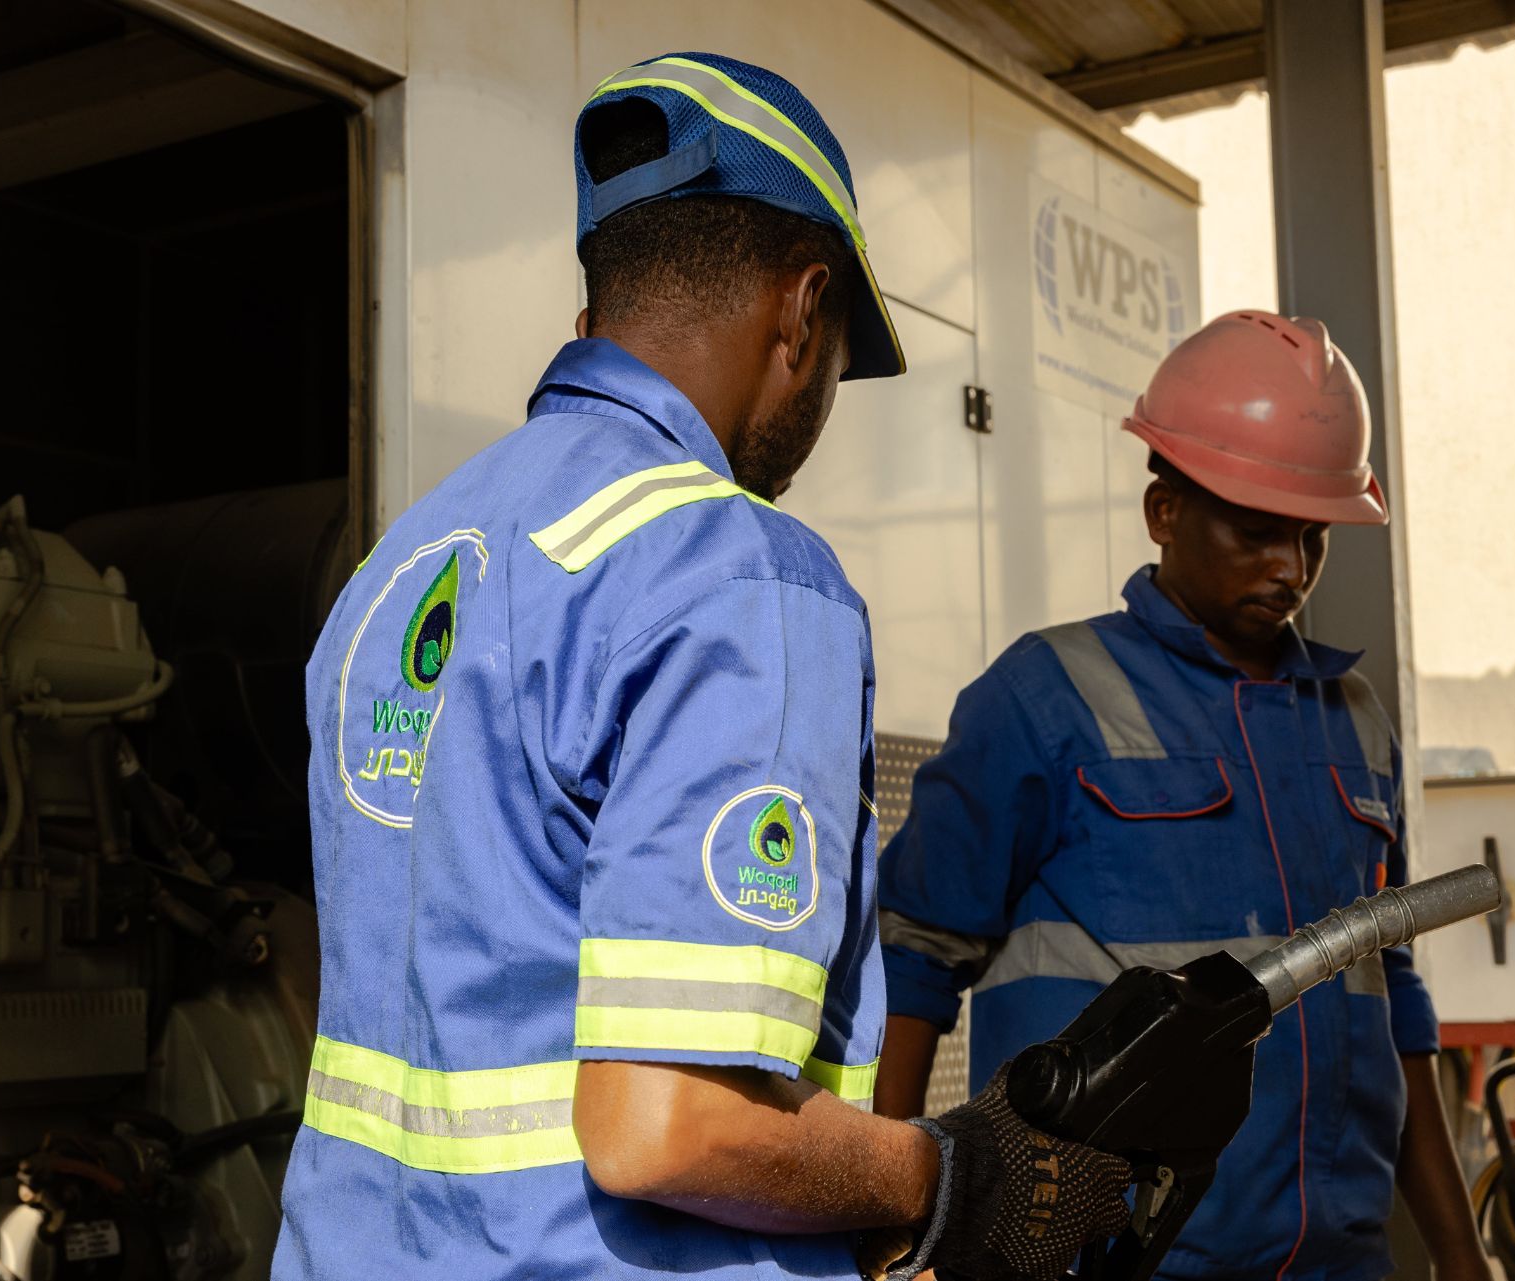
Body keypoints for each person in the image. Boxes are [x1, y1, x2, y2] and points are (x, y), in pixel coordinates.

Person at [272, 50, 1133, 1281]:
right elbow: (664, 1127)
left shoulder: (406, 564)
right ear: (802, 310)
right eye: (839, 357)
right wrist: (949, 1177)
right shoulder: (737, 574)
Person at [875, 310, 1488, 1281]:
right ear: (1165, 513)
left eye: (1313, 536)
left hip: (1339, 1262)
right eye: (1257, 532)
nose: (1290, 570)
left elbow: (1391, 993)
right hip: (1106, 1262)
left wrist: (1462, 1254)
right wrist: (889, 1233)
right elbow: (912, 965)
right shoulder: (1042, 700)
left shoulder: (1356, 724)